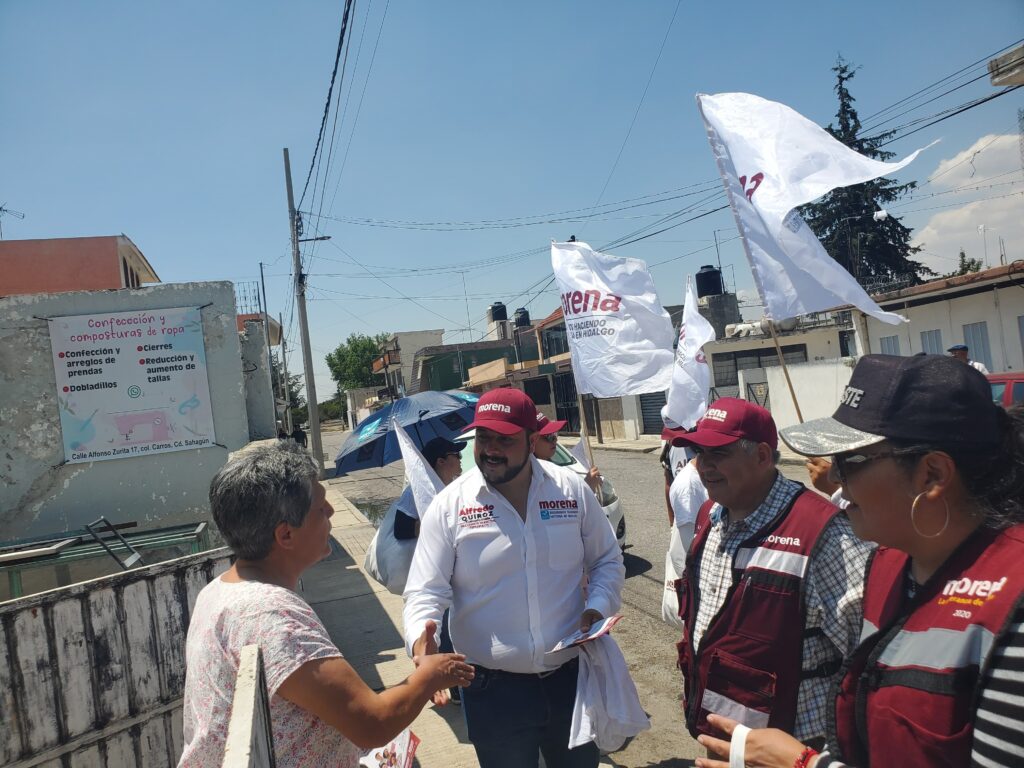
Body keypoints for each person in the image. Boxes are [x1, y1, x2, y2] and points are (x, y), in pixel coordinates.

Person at [696, 355, 1024, 768]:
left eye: (850, 461)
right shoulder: (887, 566)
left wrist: (806, 764)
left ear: (932, 475)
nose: (833, 477)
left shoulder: (1012, 612)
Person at [178, 441, 474, 768]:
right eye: (320, 508)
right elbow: (372, 723)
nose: (332, 511)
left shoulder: (219, 590)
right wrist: (431, 677)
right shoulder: (272, 616)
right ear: (286, 535)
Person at [403, 388, 625, 768]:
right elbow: (426, 590)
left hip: (570, 681)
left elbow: (607, 559)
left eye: (504, 439)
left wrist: (597, 607)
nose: (490, 449)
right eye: (484, 438)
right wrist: (423, 644)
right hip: (491, 691)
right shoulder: (451, 504)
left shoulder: (570, 490)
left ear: (532, 440)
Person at [669, 398, 874, 746]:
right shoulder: (709, 517)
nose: (704, 467)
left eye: (718, 454)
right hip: (720, 740)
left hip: (793, 749)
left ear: (763, 456)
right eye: (700, 454)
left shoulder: (824, 536)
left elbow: (867, 664)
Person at [393, 436, 466, 541]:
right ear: (441, 461)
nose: (460, 458)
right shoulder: (415, 491)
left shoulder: (456, 485)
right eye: (457, 455)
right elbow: (400, 530)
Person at [533, 411, 602, 494]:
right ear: (532, 441)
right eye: (549, 436)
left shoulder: (553, 470)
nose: (555, 440)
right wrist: (587, 487)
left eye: (554, 434)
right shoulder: (533, 480)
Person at [660, 406, 695, 524]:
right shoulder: (668, 444)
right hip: (683, 517)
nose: (675, 436)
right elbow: (668, 484)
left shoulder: (703, 442)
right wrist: (672, 521)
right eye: (671, 432)